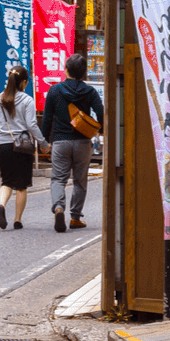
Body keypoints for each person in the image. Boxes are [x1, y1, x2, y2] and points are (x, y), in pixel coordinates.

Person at [38, 53, 102, 232]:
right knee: (80, 180)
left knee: (58, 179)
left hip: (60, 141)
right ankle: (75, 218)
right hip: (82, 141)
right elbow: (101, 112)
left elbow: (47, 118)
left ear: (66, 69)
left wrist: (45, 141)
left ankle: (59, 208)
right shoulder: (89, 91)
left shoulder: (55, 90)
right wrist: (101, 128)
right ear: (84, 73)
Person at [0, 65, 42, 230]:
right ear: (24, 82)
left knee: (6, 182)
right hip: (22, 147)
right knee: (21, 185)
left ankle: (1, 205)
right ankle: (17, 220)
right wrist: (43, 143)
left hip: (3, 146)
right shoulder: (27, 100)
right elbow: (32, 125)